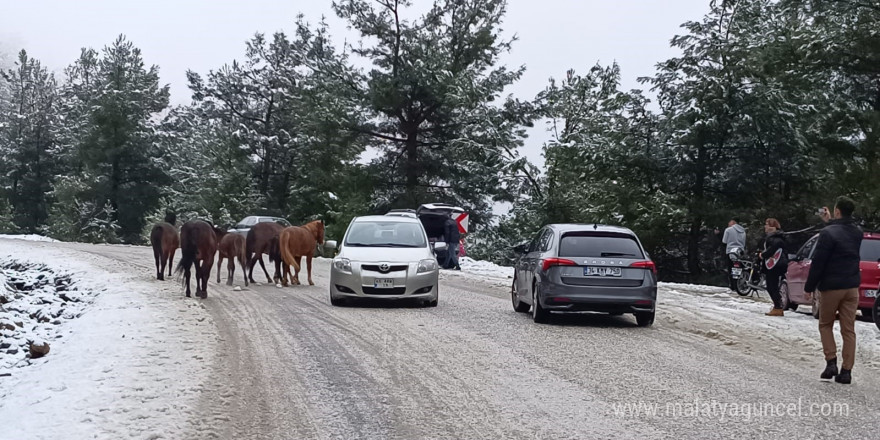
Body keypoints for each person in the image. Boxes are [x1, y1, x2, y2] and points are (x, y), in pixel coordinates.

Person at [804, 197, 862, 384]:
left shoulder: (827, 233)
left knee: (825, 324)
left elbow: (819, 263)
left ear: (837, 211)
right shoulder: (857, 233)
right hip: (852, 286)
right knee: (848, 329)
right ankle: (846, 371)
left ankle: (831, 362)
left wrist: (809, 286)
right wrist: (830, 221)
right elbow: (842, 231)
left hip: (831, 286)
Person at [760, 218, 788, 316]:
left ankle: (778, 307)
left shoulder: (776, 239)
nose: (765, 226)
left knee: (772, 286)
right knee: (771, 286)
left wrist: (762, 255)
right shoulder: (775, 237)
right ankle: (777, 306)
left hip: (775, 265)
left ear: (772, 227)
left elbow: (771, 250)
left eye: (767, 224)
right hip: (775, 264)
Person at [722, 217, 746, 289]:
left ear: (733, 222)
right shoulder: (743, 231)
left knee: (730, 268)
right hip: (740, 251)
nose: (728, 223)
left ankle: (732, 285)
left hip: (731, 251)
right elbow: (744, 243)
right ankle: (739, 285)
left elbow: (724, 241)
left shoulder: (728, 230)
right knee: (739, 268)